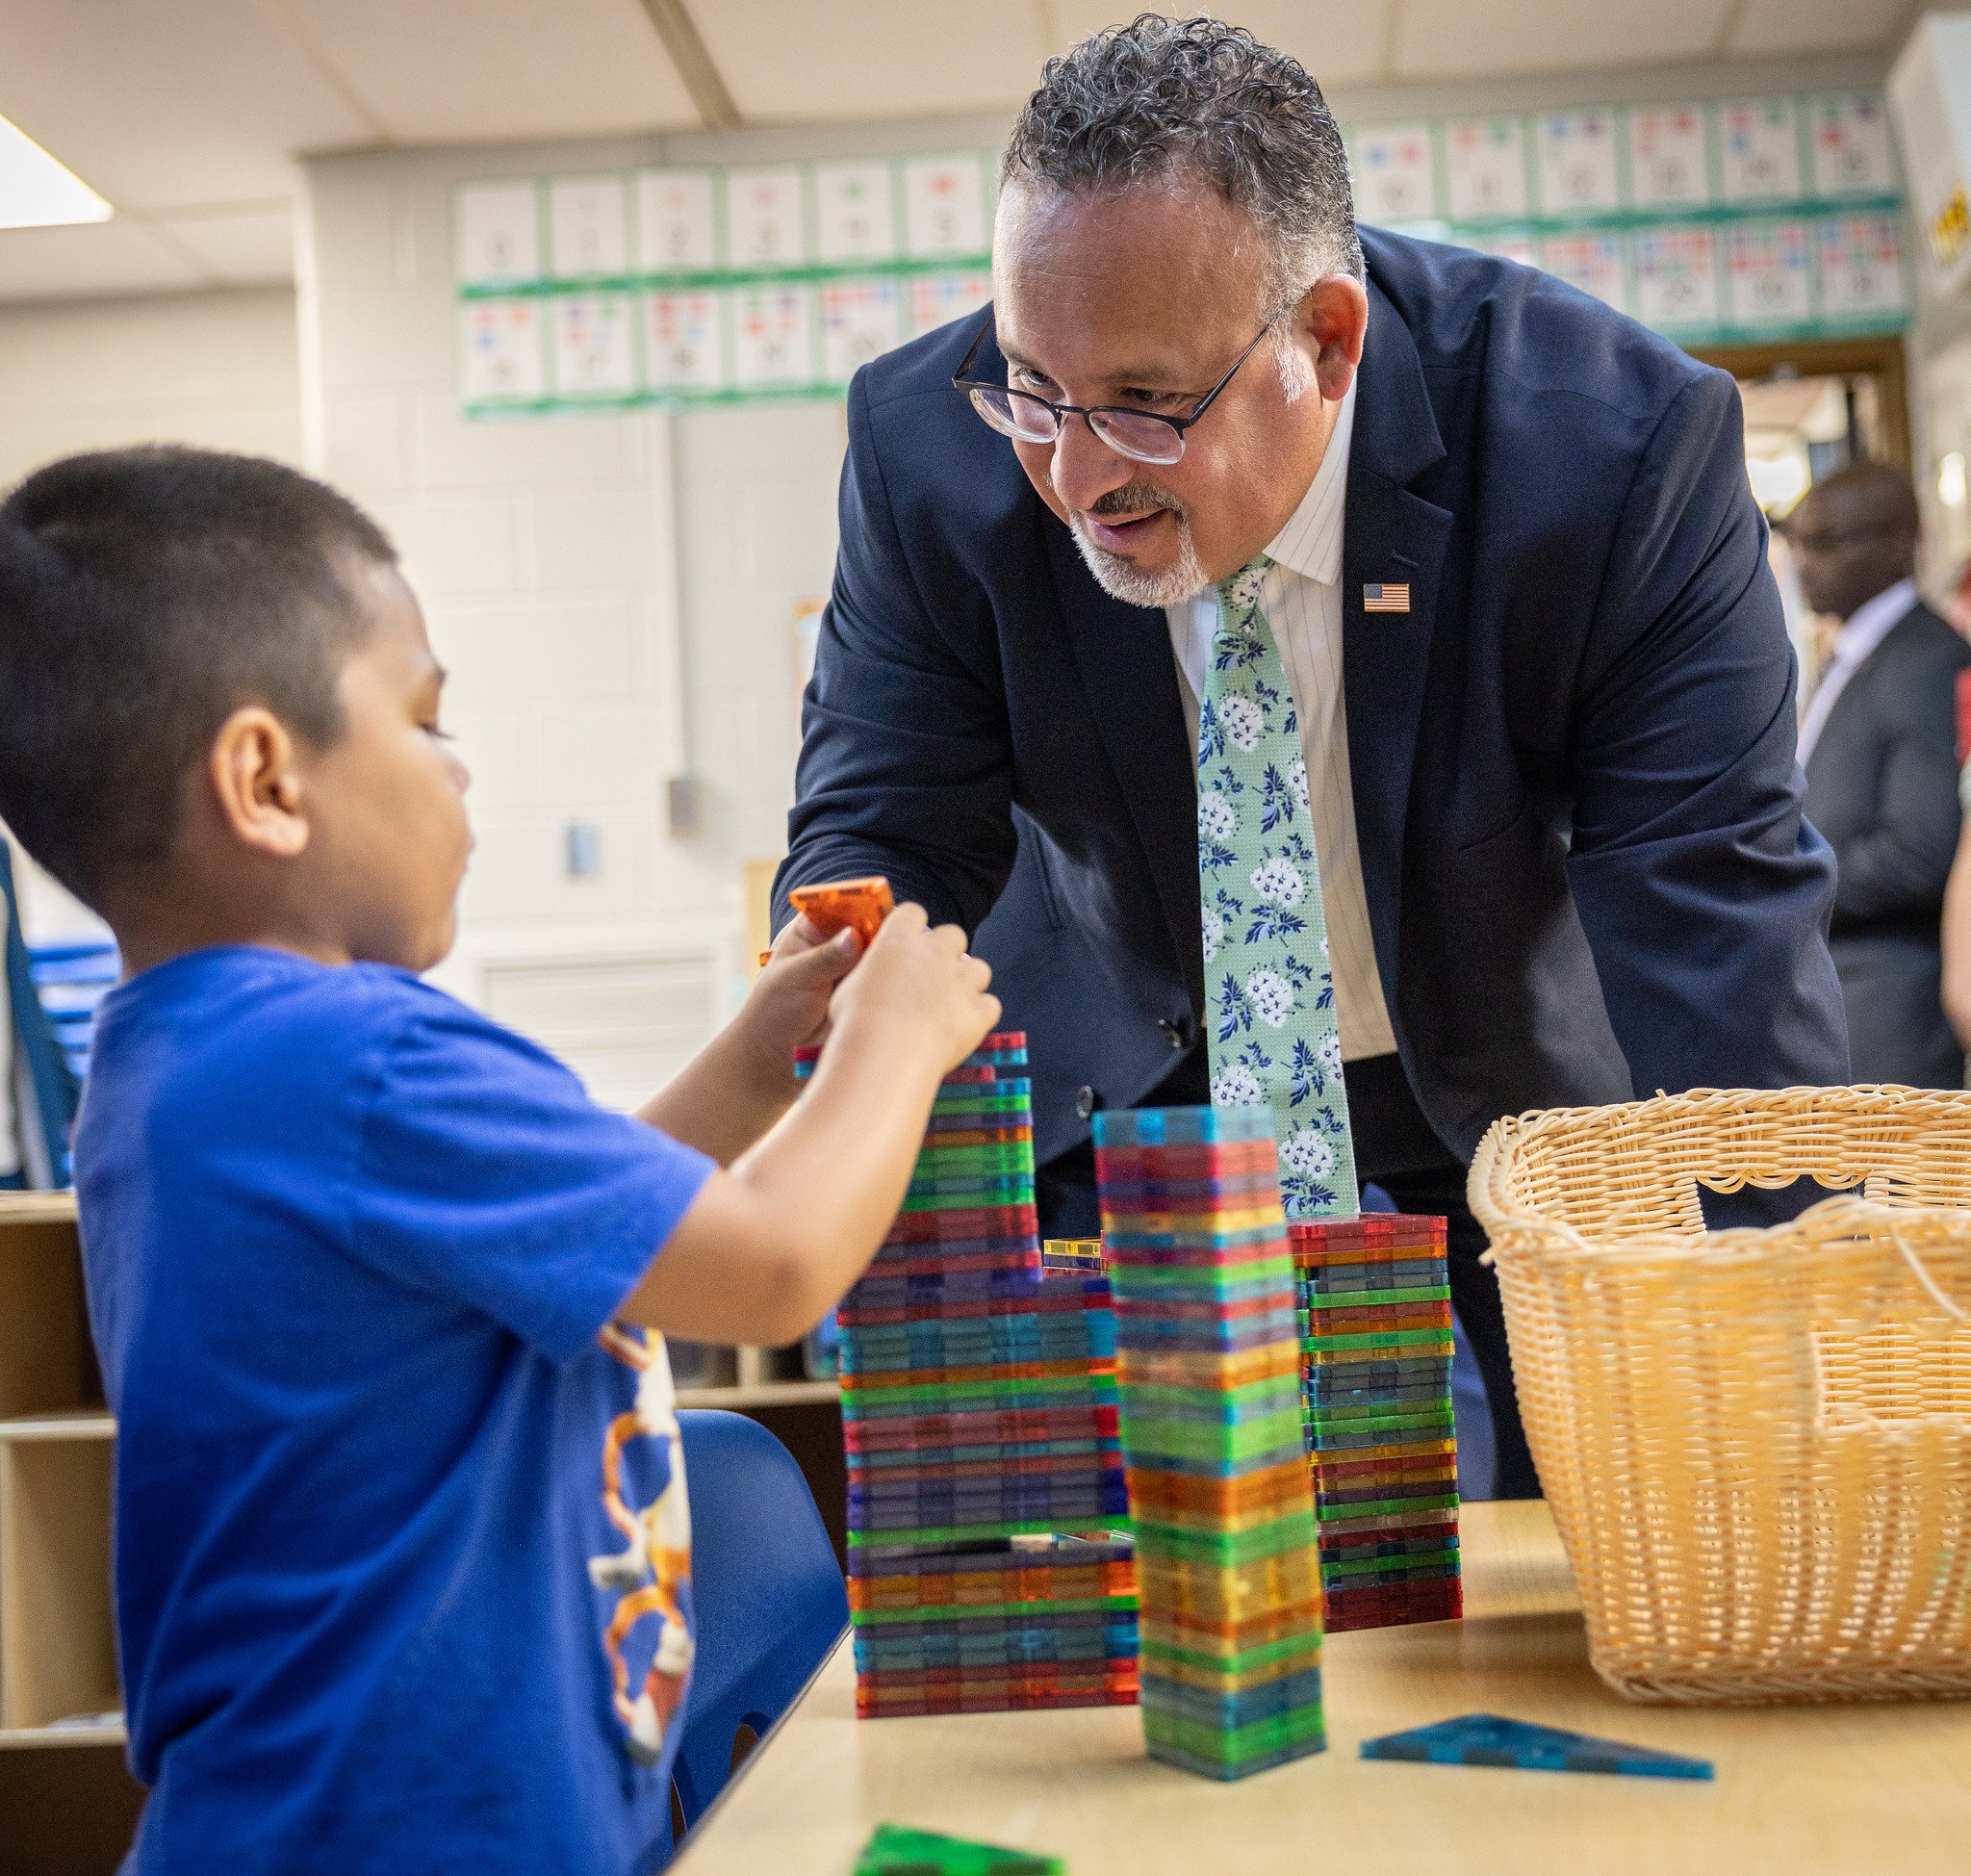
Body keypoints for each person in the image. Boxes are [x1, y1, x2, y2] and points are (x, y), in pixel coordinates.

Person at [778, 16, 1848, 1502]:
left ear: (1326, 343)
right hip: (1139, 1095)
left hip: (1500, 1101)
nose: (1077, 476)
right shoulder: (923, 449)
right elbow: (882, 826)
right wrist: (833, 1120)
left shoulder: (1611, 452)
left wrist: (1786, 1328)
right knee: (1141, 1606)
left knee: (1601, 1535)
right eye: (1032, 384)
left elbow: (1714, 918)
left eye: (1145, 406)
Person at [0, 446, 998, 1875]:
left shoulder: (182, 1067)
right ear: (266, 778)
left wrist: (768, 1049)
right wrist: (892, 1045)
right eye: (424, 721)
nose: (459, 768)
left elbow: (585, 1227)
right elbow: (773, 1264)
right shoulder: (359, 1058)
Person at [1792, 459, 1971, 1089]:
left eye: (1827, 543)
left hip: (1895, 1017)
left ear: (1899, 545)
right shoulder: (1849, 655)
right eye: (1798, 543)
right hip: (1839, 1004)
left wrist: (1786, 880)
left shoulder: (1928, 658)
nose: (1804, 563)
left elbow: (1922, 850)